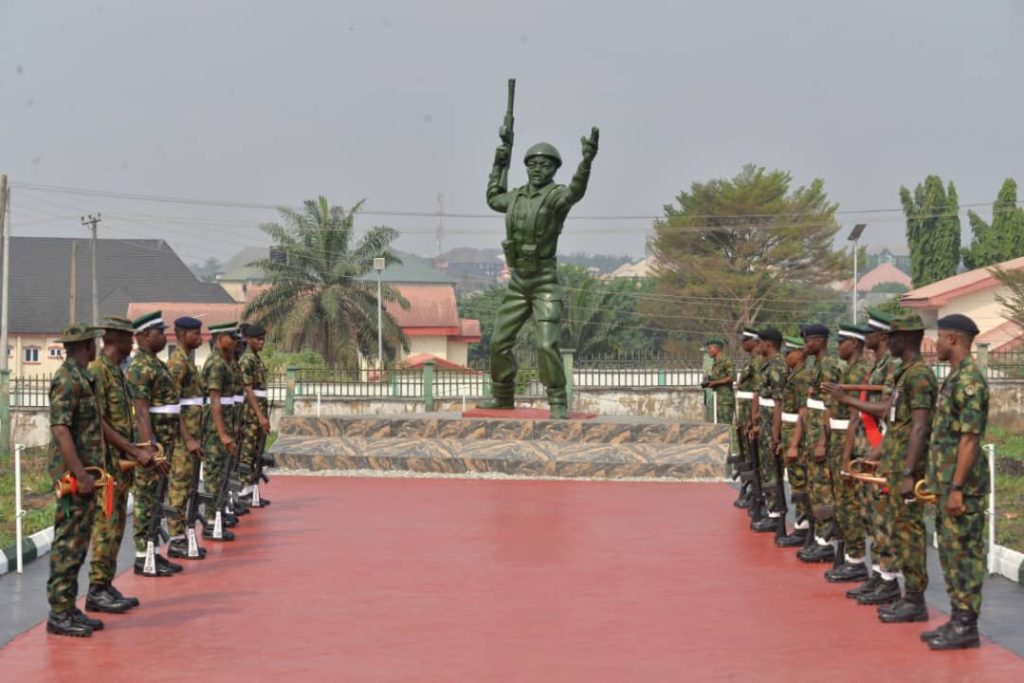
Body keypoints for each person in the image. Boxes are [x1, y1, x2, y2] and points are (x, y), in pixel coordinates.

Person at [478, 129, 599, 418]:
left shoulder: (557, 198)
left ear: (555, 169)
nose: (537, 169)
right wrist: (500, 160)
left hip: (544, 281)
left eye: (545, 165)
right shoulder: (516, 197)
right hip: (518, 283)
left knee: (546, 343)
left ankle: (557, 400)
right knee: (498, 342)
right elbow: (494, 198)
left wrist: (586, 162)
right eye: (532, 164)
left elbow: (576, 192)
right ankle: (502, 395)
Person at [831, 312, 934, 618]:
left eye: (894, 336)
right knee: (895, 529)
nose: (890, 341)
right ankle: (900, 589)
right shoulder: (906, 373)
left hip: (906, 468)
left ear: (905, 338)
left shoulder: (919, 375)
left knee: (909, 534)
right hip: (893, 459)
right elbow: (899, 426)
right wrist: (873, 459)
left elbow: (919, 427)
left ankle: (914, 599)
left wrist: (906, 472)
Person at [921, 314, 988, 650]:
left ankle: (967, 626)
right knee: (949, 552)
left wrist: (958, 488)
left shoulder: (969, 381)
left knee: (965, 555)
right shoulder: (955, 377)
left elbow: (970, 440)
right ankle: (957, 618)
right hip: (947, 483)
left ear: (952, 339)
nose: (933, 345)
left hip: (964, 487)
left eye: (938, 338)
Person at [85, 316, 160, 613]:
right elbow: (99, 422)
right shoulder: (99, 372)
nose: (132, 343)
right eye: (129, 338)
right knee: (105, 527)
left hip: (121, 465)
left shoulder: (117, 373)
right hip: (106, 464)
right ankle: (95, 590)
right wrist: (132, 449)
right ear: (115, 339)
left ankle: (104, 584)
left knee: (116, 527)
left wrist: (139, 450)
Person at [45, 323, 107, 637]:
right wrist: (80, 473)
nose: (97, 346)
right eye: (93, 342)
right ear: (85, 345)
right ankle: (58, 613)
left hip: (87, 476)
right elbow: (60, 428)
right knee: (67, 544)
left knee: (78, 544)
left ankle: (68, 607)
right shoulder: (67, 379)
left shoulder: (84, 376)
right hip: (73, 479)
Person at [126, 310, 183, 577]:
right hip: (153, 446)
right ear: (145, 335)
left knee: (158, 497)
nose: (164, 336)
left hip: (164, 443)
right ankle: (142, 556)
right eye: (160, 332)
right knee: (146, 498)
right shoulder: (140, 366)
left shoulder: (156, 363)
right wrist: (149, 446)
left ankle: (153, 552)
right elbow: (140, 409)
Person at [823, 324, 874, 583]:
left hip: (852, 442)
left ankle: (856, 560)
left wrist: (846, 455)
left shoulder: (861, 371)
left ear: (854, 344)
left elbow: (856, 415)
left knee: (850, 503)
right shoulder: (850, 370)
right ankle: (850, 557)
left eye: (841, 341)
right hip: (840, 437)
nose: (838, 346)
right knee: (842, 503)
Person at [798, 324, 844, 564]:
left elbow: (830, 408)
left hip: (821, 437)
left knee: (823, 487)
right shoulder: (815, 364)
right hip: (812, 435)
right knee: (815, 487)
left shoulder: (828, 366)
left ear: (821, 340)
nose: (806, 344)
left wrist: (822, 443)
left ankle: (827, 540)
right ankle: (820, 536)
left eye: (809, 340)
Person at [165, 316, 208, 559]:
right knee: (179, 486)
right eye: (195, 334)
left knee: (187, 485)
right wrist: (188, 438)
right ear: (181, 334)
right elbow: (174, 404)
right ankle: (176, 539)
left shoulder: (187, 361)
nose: (200, 338)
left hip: (192, 435)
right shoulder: (178, 364)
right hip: (183, 440)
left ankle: (182, 536)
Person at [202, 321, 242, 541]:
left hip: (224, 423)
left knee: (221, 473)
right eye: (231, 336)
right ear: (219, 338)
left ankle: (216, 515)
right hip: (215, 428)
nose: (235, 340)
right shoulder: (216, 363)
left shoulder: (225, 361)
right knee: (214, 473)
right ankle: (210, 520)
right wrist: (223, 433)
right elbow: (214, 400)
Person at [775, 335, 814, 547]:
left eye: (788, 353)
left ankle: (804, 527)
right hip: (790, 433)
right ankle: (801, 526)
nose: (785, 357)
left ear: (798, 354)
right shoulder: (795, 375)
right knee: (796, 482)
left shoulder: (802, 377)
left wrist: (793, 444)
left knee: (800, 483)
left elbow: (802, 411)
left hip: (797, 436)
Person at [750, 327, 787, 532]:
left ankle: (776, 515)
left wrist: (774, 436)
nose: (758, 346)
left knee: (773, 470)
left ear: (769, 344)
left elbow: (778, 403)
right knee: (766, 469)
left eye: (761, 342)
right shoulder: (768, 364)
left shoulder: (777, 366)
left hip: (771, 426)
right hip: (764, 424)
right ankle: (772, 510)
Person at [238, 323, 272, 507]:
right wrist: (260, 416)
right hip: (251, 414)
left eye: (263, 340)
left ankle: (252, 491)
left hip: (259, 410)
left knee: (256, 452)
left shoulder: (256, 359)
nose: (261, 343)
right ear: (248, 340)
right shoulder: (247, 360)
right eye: (258, 340)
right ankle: (244, 491)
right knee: (248, 451)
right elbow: (248, 389)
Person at [731, 327, 762, 509]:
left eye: (745, 340)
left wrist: (752, 418)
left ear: (754, 342)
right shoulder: (752, 361)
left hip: (750, 413)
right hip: (743, 413)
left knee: (752, 455)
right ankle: (749, 488)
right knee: (745, 454)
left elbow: (757, 392)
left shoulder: (758, 362)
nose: (742, 344)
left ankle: (754, 493)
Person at [702, 337, 735, 425]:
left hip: (725, 399)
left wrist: (715, 382)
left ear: (717, 348)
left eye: (710, 348)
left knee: (726, 425)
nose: (708, 351)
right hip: (718, 397)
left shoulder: (726, 361)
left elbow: (732, 377)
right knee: (720, 426)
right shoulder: (715, 362)